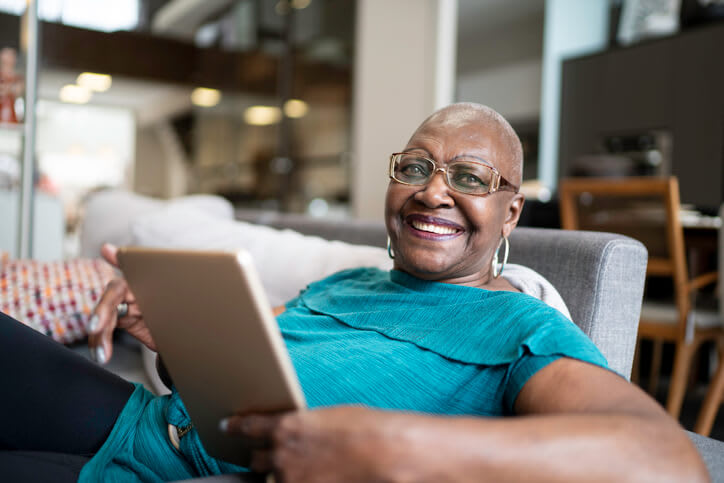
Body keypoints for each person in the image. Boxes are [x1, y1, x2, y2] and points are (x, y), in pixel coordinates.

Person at [0, 103, 708, 482]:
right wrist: (175, 332)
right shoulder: (348, 283)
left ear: (510, 212)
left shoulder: (518, 326)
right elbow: (245, 381)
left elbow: (669, 462)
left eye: (468, 177)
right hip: (139, 420)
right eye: (417, 167)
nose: (434, 190)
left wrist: (398, 445)